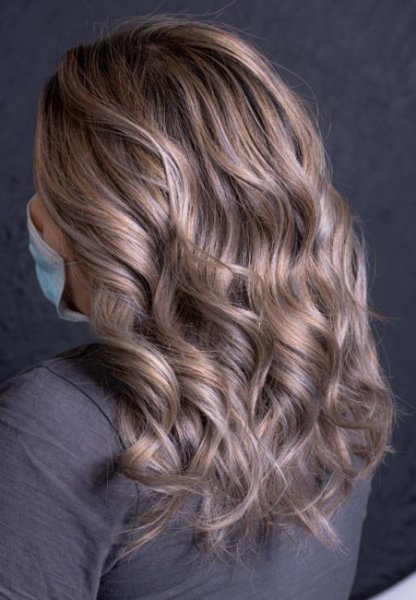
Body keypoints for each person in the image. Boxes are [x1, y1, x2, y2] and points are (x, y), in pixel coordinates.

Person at [0, 13, 397, 600]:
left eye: (52, 192)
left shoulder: (53, 428)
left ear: (111, 230)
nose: (36, 214)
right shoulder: (334, 369)